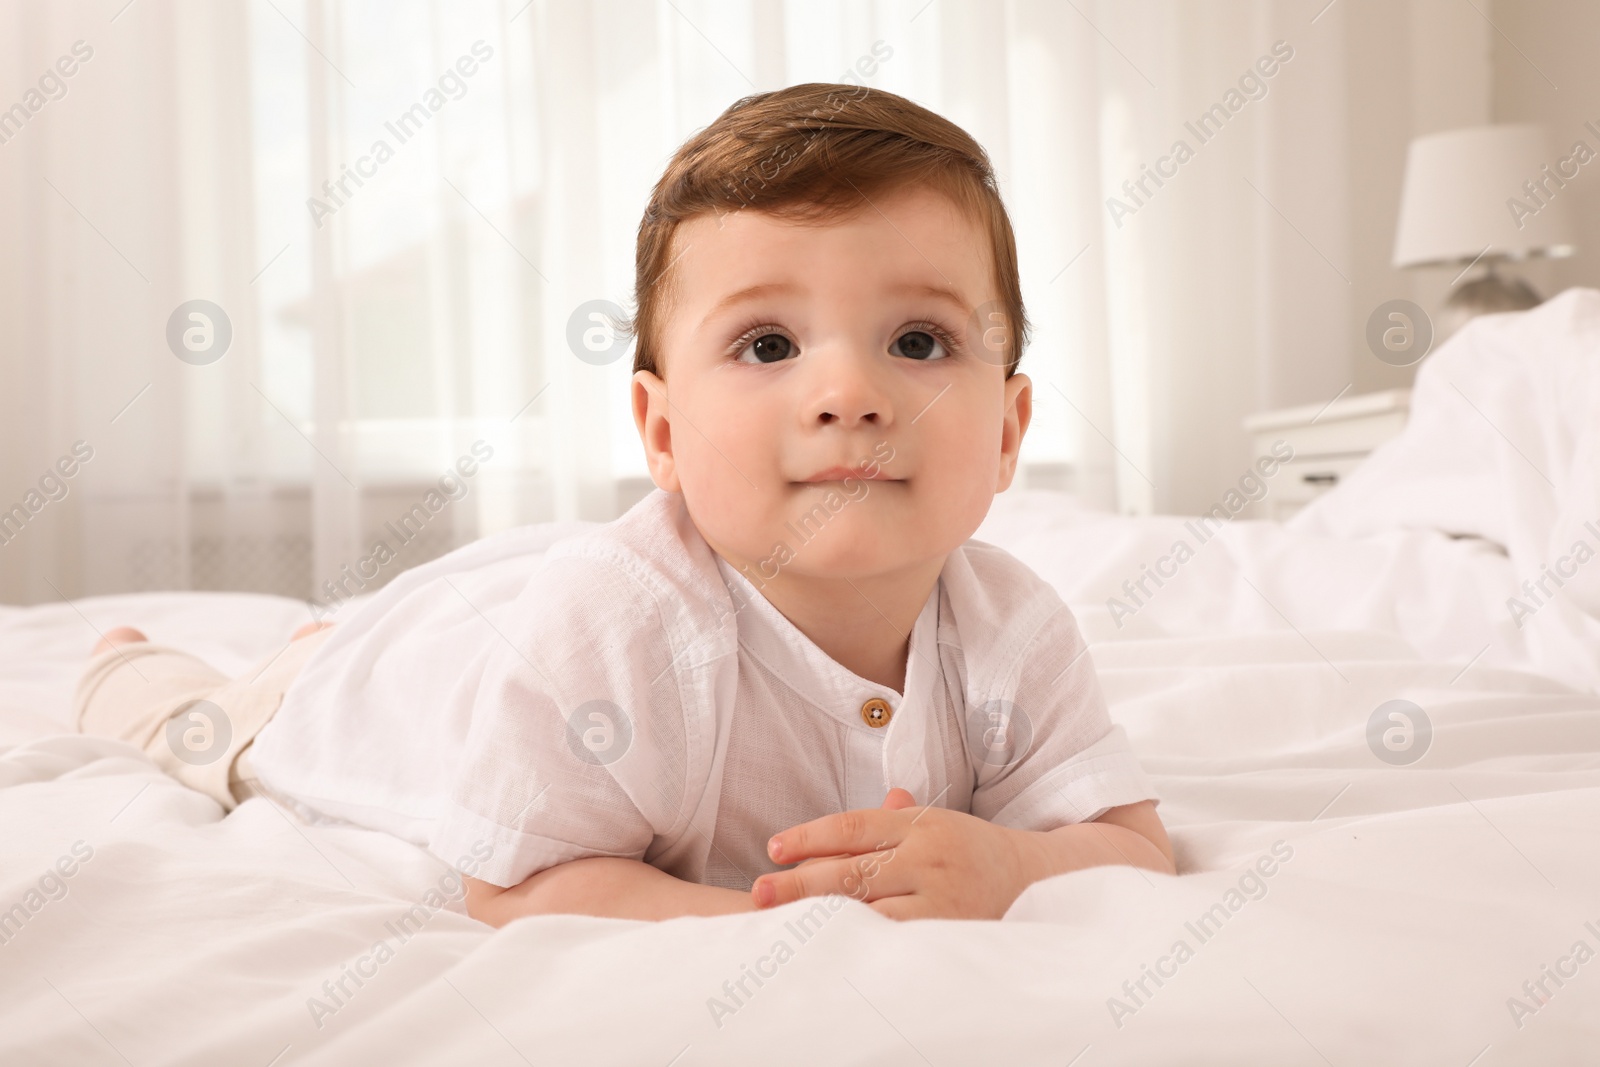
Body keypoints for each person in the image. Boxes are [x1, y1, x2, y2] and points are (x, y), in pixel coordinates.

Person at [76, 82, 1174, 925]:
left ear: (1008, 433)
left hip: (502, 635)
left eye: (918, 341)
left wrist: (1016, 862)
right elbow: (522, 887)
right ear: (660, 433)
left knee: (411, 631)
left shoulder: (1013, 630)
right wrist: (808, 921)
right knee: (210, 721)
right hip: (384, 691)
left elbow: (1129, 841)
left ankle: (337, 630)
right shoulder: (619, 631)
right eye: (769, 344)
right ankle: (150, 657)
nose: (848, 394)